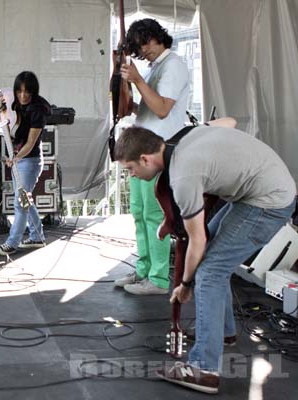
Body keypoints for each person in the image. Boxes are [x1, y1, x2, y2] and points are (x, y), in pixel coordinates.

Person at [114, 125, 296, 394]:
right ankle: (224, 332)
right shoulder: (182, 140)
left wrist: (185, 286)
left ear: (145, 159)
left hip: (269, 201)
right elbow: (227, 122)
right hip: (258, 191)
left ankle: (204, 369)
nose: (132, 176)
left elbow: (196, 241)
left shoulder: (183, 175)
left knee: (209, 271)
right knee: (210, 262)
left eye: (130, 169)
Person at [115, 18, 190, 295]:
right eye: (138, 47)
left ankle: (158, 278)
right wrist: (130, 101)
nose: (143, 50)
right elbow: (148, 109)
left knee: (154, 214)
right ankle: (144, 269)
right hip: (142, 146)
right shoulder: (156, 68)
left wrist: (136, 80)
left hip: (157, 150)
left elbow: (161, 109)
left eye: (145, 43)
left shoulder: (174, 65)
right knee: (139, 211)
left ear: (158, 38)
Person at [0, 71, 50, 256]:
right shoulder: (14, 103)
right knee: (25, 199)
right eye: (19, 91)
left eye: (27, 92)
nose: (23, 96)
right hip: (20, 159)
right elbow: (0, 126)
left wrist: (16, 158)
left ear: (33, 92)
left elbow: (30, 143)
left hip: (29, 160)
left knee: (20, 202)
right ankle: (37, 237)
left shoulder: (38, 110)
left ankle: (12, 243)